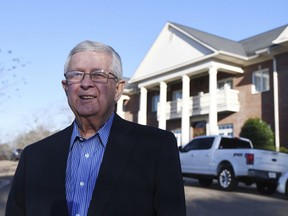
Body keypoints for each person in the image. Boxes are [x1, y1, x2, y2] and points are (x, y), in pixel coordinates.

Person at [5, 40, 186, 216]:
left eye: (98, 75)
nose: (86, 83)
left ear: (118, 89)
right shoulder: (34, 157)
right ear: (66, 87)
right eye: (76, 74)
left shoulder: (156, 147)